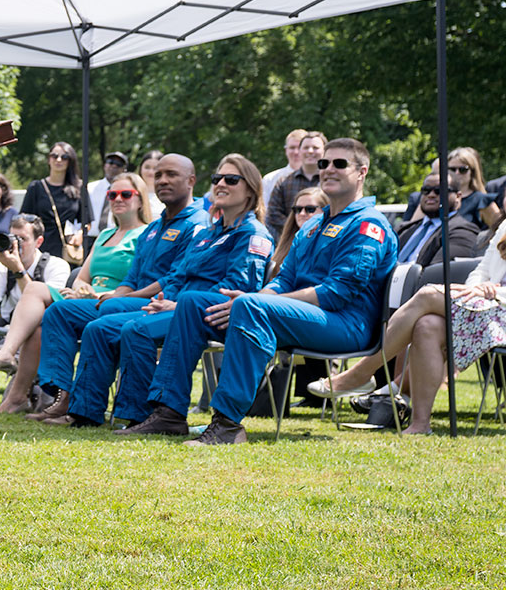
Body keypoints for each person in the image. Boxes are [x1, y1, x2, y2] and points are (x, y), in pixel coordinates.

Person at [130, 138, 398, 444]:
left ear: (361, 172)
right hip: (302, 316)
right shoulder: (312, 225)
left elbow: (337, 294)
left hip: (346, 325)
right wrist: (263, 297)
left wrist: (259, 301)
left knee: (251, 306)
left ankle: (227, 424)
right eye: (324, 163)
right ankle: (169, 413)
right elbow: (283, 280)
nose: (328, 169)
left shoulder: (368, 225)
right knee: (192, 302)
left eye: (340, 164)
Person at [78, 154, 273, 431]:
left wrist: (177, 305)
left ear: (251, 190)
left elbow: (237, 289)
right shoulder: (208, 233)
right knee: (101, 327)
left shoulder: (253, 234)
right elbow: (179, 275)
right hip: (179, 308)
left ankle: (156, 415)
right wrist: (164, 299)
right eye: (217, 179)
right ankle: (86, 413)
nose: (221, 184)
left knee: (137, 329)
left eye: (231, 179)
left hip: (213, 315)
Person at [27, 154, 209, 422]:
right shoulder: (154, 228)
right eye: (158, 175)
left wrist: (121, 298)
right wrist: (116, 293)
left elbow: (174, 279)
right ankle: (63, 396)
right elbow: (132, 276)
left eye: (171, 174)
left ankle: (91, 407)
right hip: (131, 301)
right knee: (61, 311)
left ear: (191, 180)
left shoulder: (197, 224)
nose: (163, 180)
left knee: (102, 319)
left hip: (164, 304)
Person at [307, 213, 506, 435]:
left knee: (428, 294)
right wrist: (477, 288)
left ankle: (361, 373)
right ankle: (420, 424)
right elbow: (481, 271)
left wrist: (496, 291)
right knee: (427, 325)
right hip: (486, 308)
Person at [0, 173, 152, 413]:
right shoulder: (105, 234)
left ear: (140, 199)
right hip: (84, 299)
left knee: (38, 301)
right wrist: (80, 290)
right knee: (37, 318)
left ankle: (13, 363)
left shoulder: (147, 234)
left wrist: (101, 294)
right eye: (112, 194)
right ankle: (17, 389)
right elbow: (82, 277)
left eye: (126, 194)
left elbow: (139, 280)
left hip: (116, 301)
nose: (118, 199)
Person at [0, 214, 72, 359]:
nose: (15, 245)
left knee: (38, 326)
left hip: (39, 325)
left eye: (22, 239)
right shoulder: (4, 264)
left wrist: (18, 270)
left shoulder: (56, 266)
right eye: (12, 238)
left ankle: (12, 354)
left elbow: (47, 306)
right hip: (8, 321)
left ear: (39, 242)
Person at [395, 173, 481, 271]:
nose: (431, 195)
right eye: (426, 190)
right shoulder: (404, 229)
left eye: (439, 191)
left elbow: (436, 274)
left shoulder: (464, 231)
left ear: (458, 196)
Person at [25, 142, 83, 260]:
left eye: (64, 157)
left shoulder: (79, 188)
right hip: (40, 250)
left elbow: (87, 221)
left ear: (70, 161)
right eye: (54, 156)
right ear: (48, 159)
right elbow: (24, 219)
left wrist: (79, 235)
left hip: (68, 251)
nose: (59, 159)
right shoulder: (36, 187)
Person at [264, 131, 325, 235]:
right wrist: (297, 229)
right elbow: (273, 215)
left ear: (324, 151)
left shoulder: (331, 180)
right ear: (300, 151)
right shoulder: (283, 182)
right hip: (290, 242)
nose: (310, 151)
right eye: (306, 148)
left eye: (315, 148)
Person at [259, 129, 308, 225]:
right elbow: (264, 212)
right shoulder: (270, 179)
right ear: (286, 150)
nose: (296, 152)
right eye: (292, 148)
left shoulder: (319, 178)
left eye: (299, 148)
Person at [443, 146, 492, 231]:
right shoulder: (437, 196)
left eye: (463, 170)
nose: (457, 173)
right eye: (452, 169)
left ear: (472, 172)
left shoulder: (481, 200)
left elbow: (502, 229)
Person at [84, 151, 128, 233]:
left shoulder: (127, 193)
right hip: (89, 237)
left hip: (114, 236)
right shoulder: (89, 188)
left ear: (124, 170)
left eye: (119, 164)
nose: (114, 165)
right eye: (111, 162)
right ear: (105, 165)